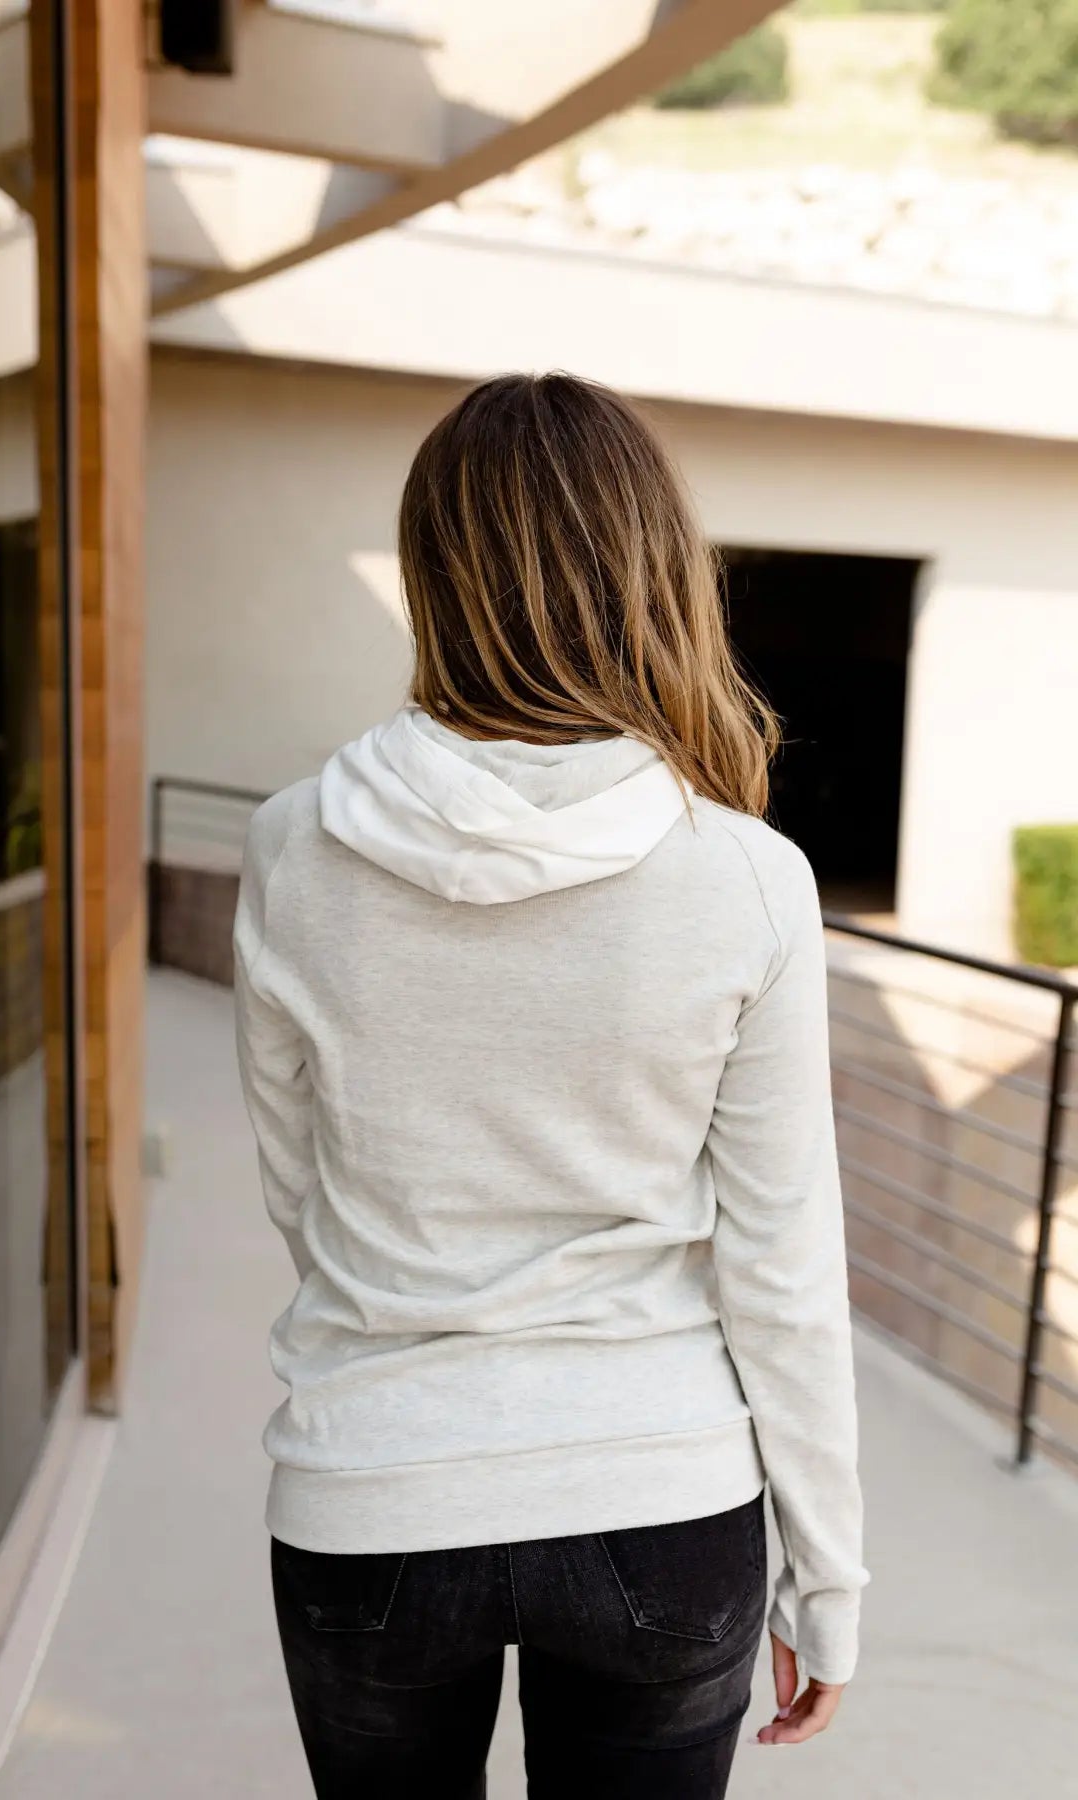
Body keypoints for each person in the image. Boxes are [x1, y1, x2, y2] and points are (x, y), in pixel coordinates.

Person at [234, 372, 867, 1799]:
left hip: (373, 1488)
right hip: (664, 1498)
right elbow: (781, 1265)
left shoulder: (291, 849)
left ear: (434, 578)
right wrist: (828, 1573)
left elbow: (301, 1187)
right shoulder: (749, 878)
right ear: (655, 576)